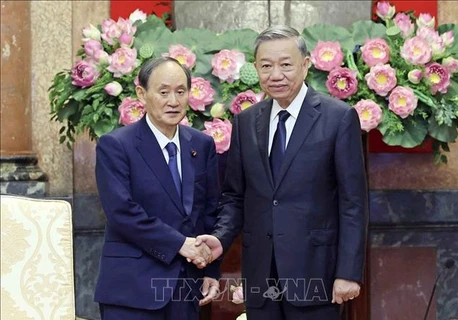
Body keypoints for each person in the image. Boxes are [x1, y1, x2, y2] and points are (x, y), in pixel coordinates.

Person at [196, 25, 368, 320]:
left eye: (286, 65)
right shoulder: (246, 122)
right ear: (256, 68)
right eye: (266, 66)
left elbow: (353, 203)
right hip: (260, 274)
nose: (275, 75)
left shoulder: (338, 118)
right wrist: (220, 238)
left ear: (305, 65)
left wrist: (349, 272)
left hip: (317, 273)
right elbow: (235, 196)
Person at [94, 56, 221, 320]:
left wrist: (211, 269)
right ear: (142, 93)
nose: (173, 101)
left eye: (180, 92)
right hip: (133, 290)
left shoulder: (202, 144)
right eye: (163, 92)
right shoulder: (116, 145)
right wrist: (179, 244)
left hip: (188, 288)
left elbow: (210, 210)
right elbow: (122, 212)